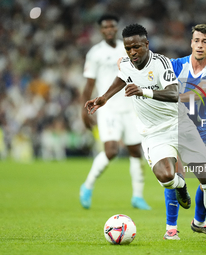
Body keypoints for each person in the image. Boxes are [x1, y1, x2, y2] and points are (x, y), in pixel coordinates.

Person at [85, 23, 206, 241]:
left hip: (186, 126)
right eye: (128, 49)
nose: (132, 52)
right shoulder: (133, 63)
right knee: (167, 176)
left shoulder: (199, 71)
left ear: (146, 45)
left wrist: (143, 91)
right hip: (154, 132)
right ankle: (177, 205)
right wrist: (103, 98)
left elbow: (176, 93)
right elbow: (122, 76)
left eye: (136, 48)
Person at [79, 14, 150, 210]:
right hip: (108, 109)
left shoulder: (127, 48)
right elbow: (89, 84)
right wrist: (84, 111)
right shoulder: (95, 53)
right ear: (101, 30)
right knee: (111, 151)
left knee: (136, 151)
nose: (109, 30)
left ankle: (137, 196)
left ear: (116, 28)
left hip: (130, 108)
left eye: (112, 26)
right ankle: (87, 186)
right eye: (105, 27)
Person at [163, 24, 206, 241]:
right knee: (175, 174)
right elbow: (150, 70)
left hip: (198, 129)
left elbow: (199, 94)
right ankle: (171, 228)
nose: (200, 45)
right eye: (196, 40)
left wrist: (166, 97)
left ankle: (199, 222)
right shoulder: (174, 65)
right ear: (191, 42)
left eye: (204, 41)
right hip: (172, 127)